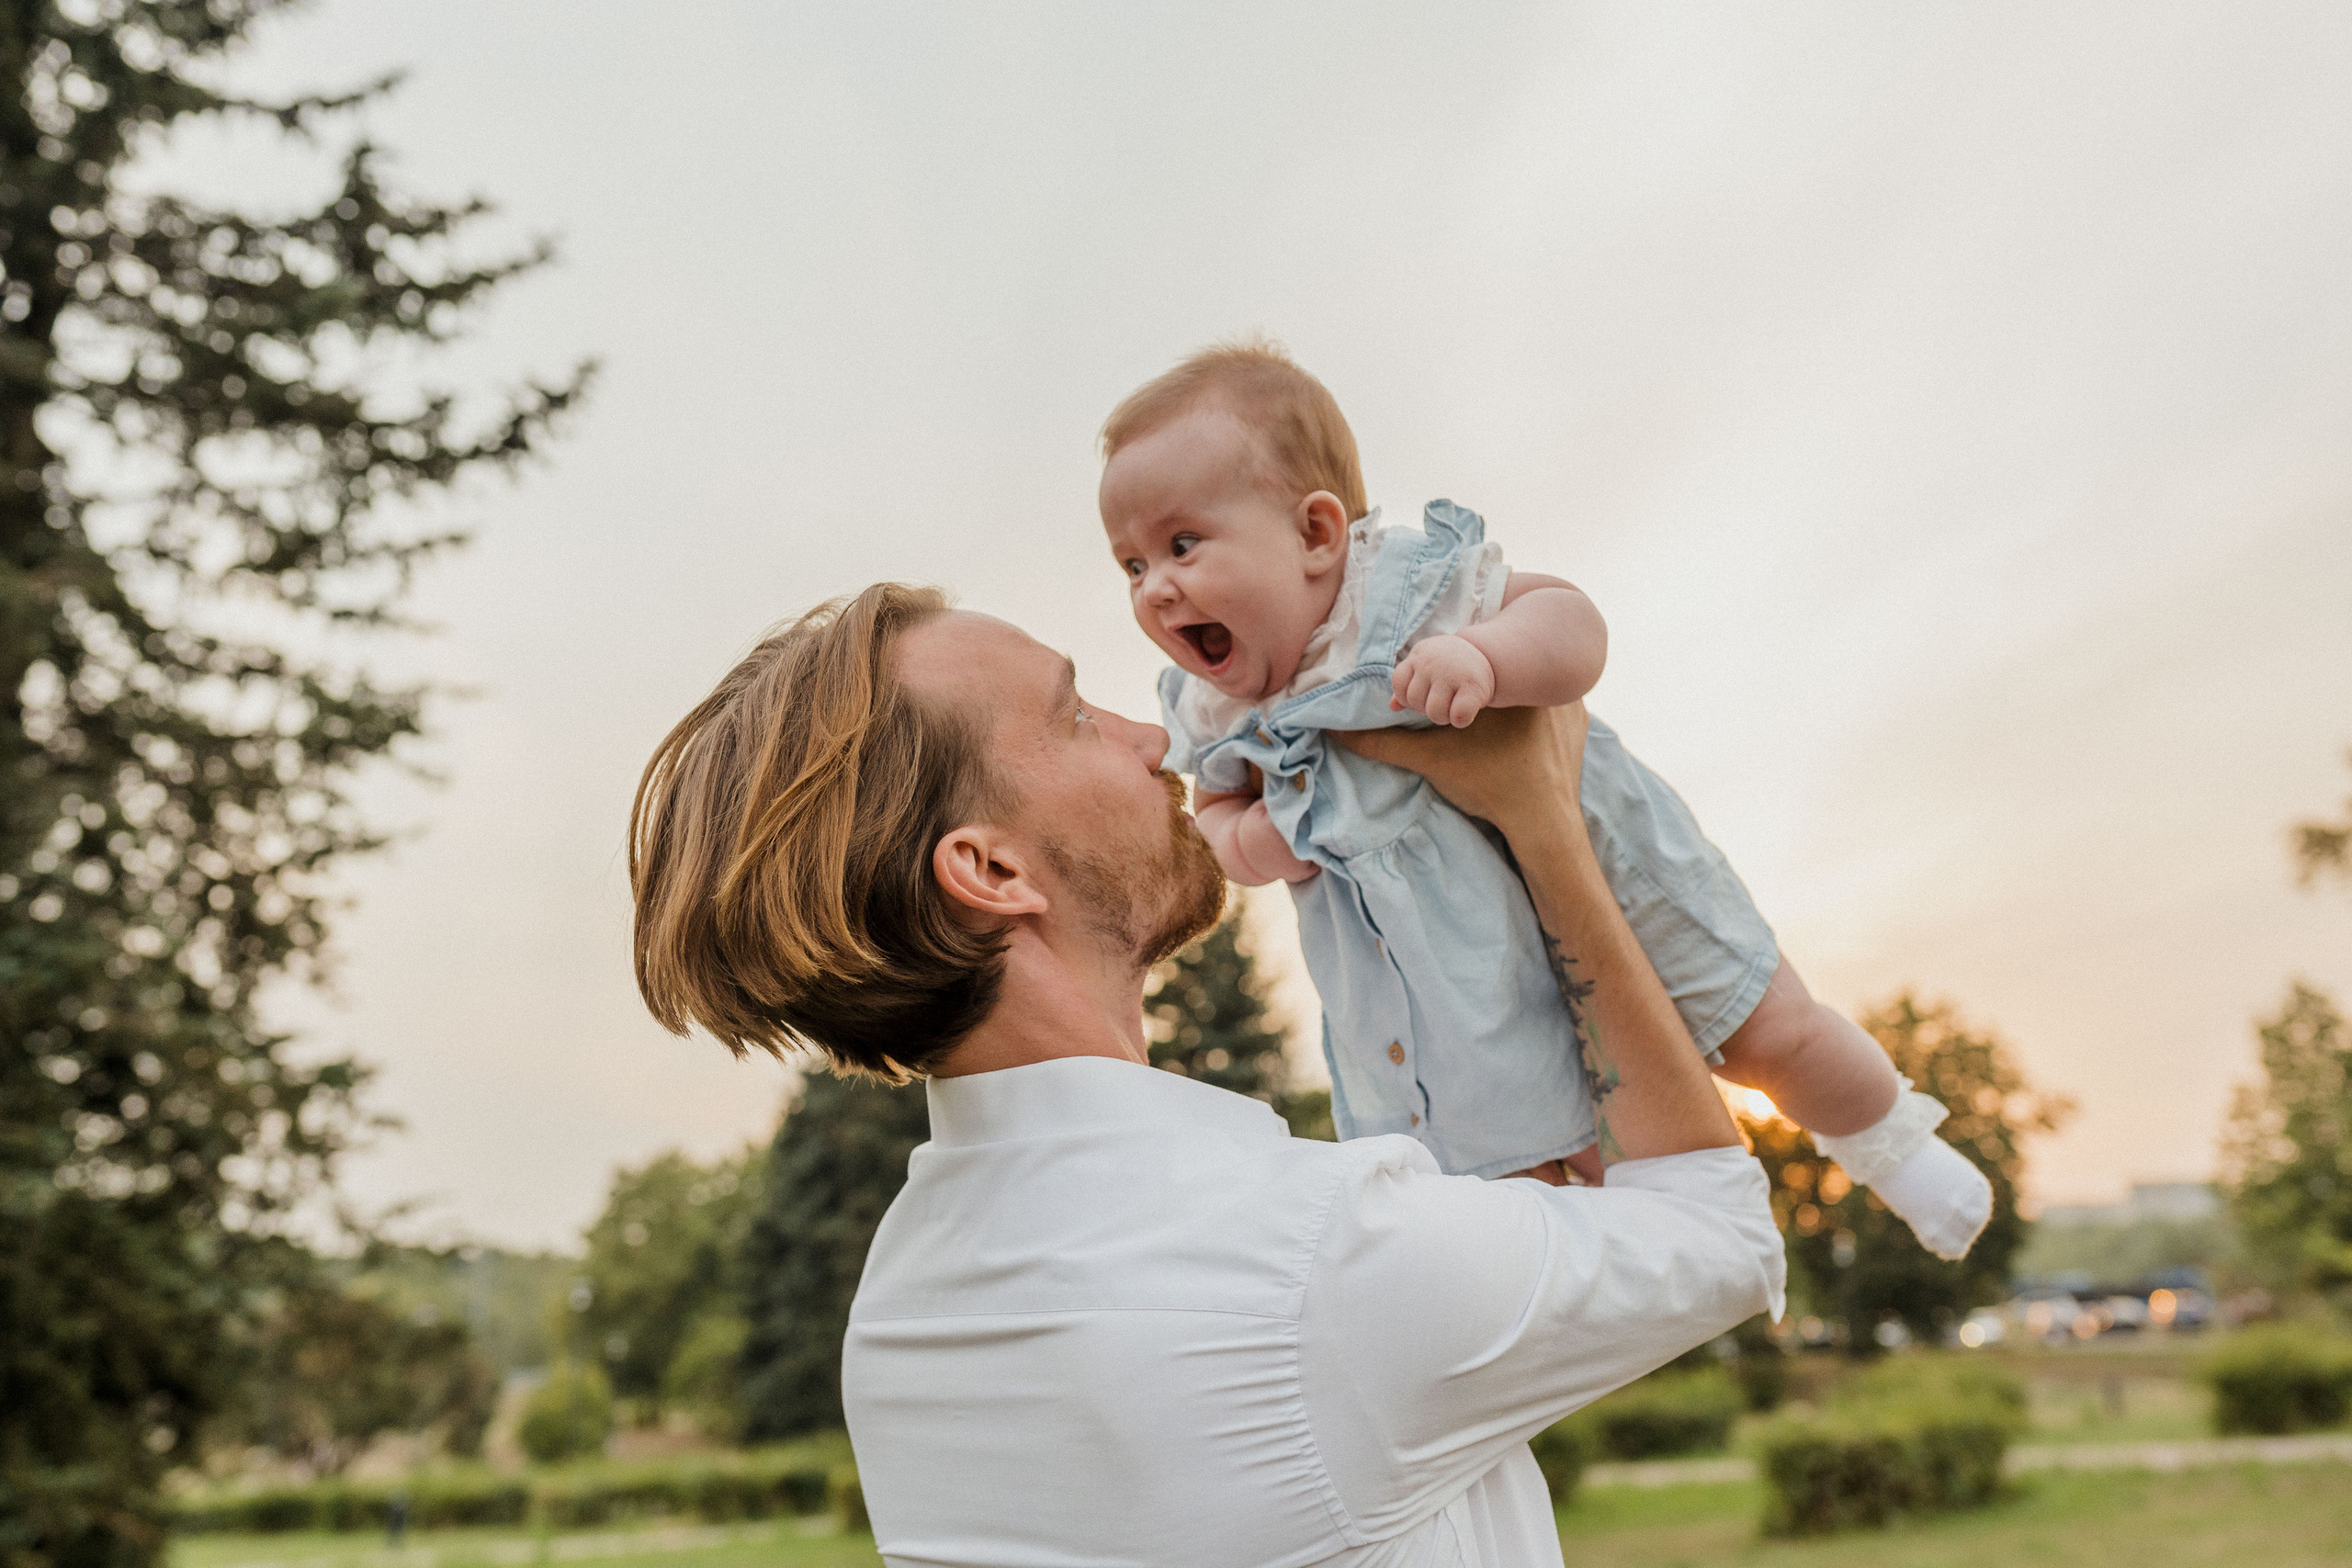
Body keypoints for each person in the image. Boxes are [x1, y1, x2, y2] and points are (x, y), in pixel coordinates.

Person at [628, 583, 1783, 1567]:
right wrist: (1541, 820)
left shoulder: (896, 1321)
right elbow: (1719, 1233)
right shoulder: (1309, 1256)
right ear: (988, 870)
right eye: (1074, 715)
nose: (1151, 737)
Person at [1096, 339, 1991, 1259]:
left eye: (1182, 544)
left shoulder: (1406, 594)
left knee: (1772, 1036)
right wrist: (1255, 843)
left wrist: (1487, 658)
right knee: (1520, 1159)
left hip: (1608, 866)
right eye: (1129, 566)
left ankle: (1891, 1145)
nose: (1155, 588)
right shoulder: (1210, 707)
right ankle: (1627, 1275)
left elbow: (1573, 623)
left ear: (1317, 535)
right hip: (1442, 971)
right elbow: (1213, 816)